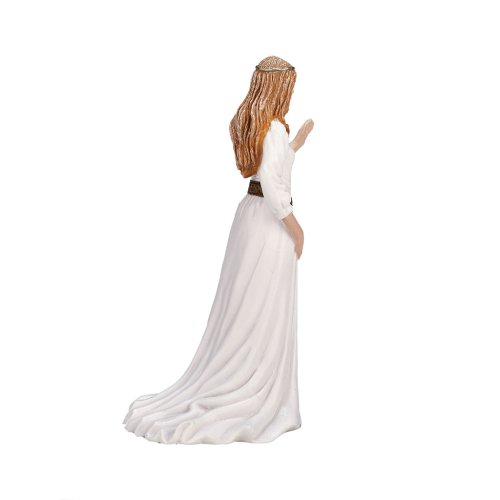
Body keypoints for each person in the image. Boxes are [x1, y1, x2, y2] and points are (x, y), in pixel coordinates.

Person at [122, 55, 314, 444]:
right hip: (271, 225)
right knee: (263, 307)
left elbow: (268, 167)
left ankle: (238, 368)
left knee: (246, 302)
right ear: (279, 88)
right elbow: (274, 189)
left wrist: (296, 143)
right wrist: (296, 229)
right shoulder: (273, 128)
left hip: (250, 218)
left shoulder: (259, 126)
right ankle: (253, 383)